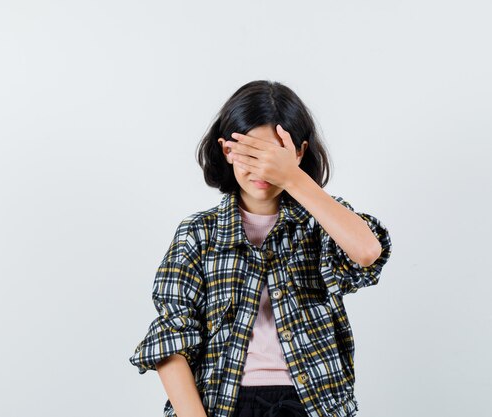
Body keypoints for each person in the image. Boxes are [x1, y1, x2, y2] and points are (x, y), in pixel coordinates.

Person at [128, 80, 393, 417]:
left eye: (276, 155)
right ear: (227, 151)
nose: (263, 168)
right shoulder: (198, 234)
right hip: (223, 404)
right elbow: (172, 338)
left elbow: (367, 253)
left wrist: (292, 178)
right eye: (251, 152)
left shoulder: (322, 222)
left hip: (314, 404)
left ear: (299, 152)